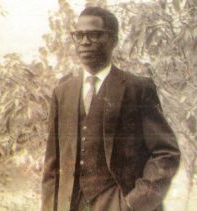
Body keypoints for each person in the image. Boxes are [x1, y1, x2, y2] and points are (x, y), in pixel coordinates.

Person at [41, 6, 180, 211]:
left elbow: (165, 152)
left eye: (95, 35)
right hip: (72, 204)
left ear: (113, 41)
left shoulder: (137, 88)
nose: (85, 42)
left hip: (120, 201)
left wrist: (135, 202)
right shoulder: (62, 92)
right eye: (79, 36)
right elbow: (52, 165)